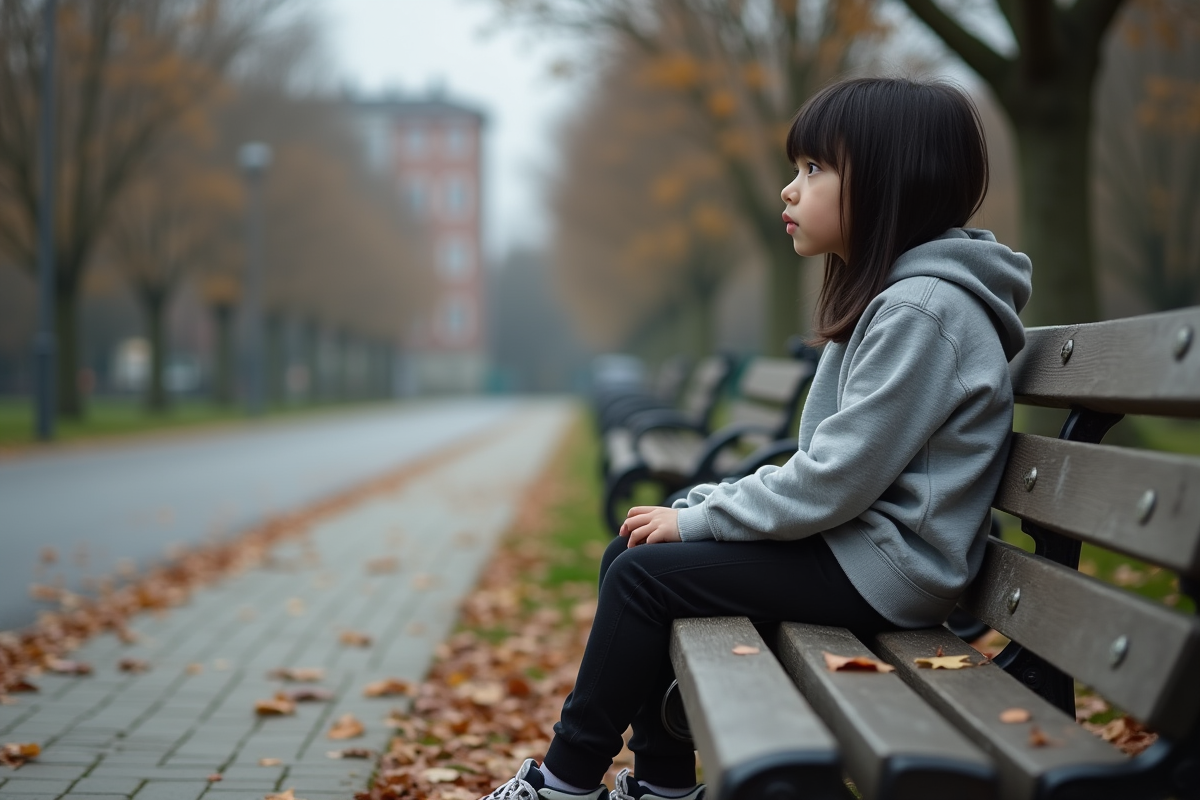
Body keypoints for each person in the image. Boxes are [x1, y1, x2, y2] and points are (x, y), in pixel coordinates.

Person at [480, 75, 1033, 800]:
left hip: (891, 571)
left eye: (814, 169)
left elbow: (835, 478)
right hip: (862, 551)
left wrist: (703, 516)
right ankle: (662, 785)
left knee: (644, 579)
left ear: (891, 182)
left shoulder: (922, 311)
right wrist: (702, 504)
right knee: (637, 552)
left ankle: (565, 780)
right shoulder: (897, 298)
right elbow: (830, 468)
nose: (788, 191)